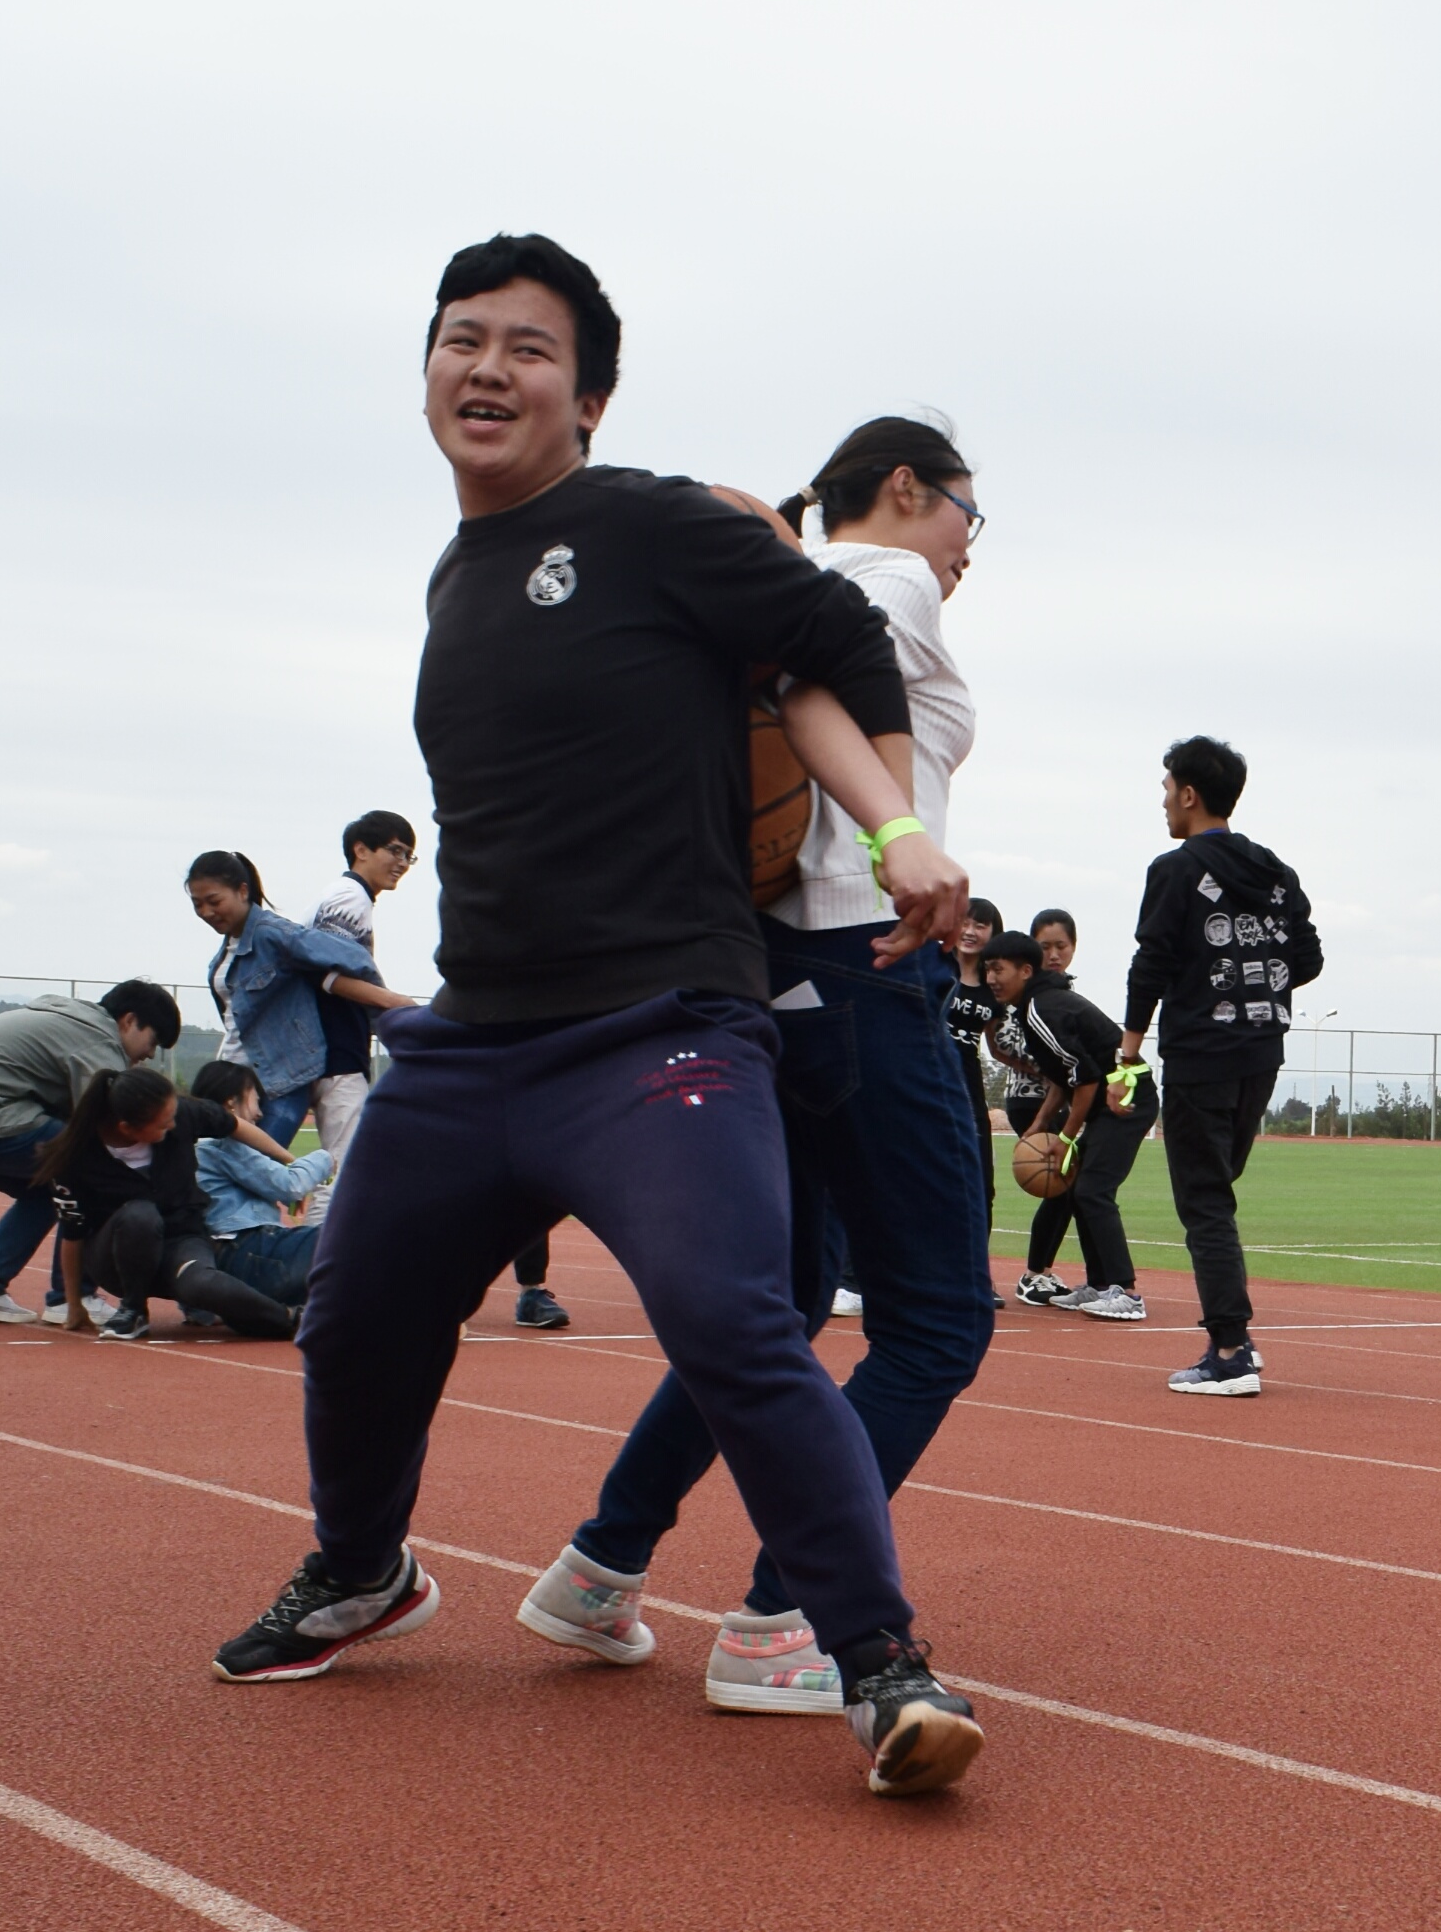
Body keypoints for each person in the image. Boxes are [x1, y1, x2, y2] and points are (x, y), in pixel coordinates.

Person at [210, 232, 984, 1798]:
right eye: (459, 338)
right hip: (474, 1033)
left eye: (529, 347)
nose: (486, 367)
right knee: (353, 1311)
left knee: (734, 1316)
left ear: (592, 396)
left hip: (661, 1028)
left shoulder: (649, 522)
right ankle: (361, 1566)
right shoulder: (456, 570)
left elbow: (827, 644)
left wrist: (898, 832)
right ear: (425, 371)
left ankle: (877, 1660)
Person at [522, 413, 996, 1719]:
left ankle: (602, 1561)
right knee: (936, 1320)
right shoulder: (878, 574)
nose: (967, 547)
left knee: (776, 1302)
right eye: (969, 513)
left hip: (759, 980)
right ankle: (785, 1608)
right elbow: (801, 678)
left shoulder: (766, 586)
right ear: (905, 487)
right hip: (864, 966)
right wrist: (902, 832)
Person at [1116, 735, 1323, 1398]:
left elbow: (1150, 960)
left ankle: (1230, 1348)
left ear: (1188, 793)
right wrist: (1257, 982)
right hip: (1261, 1051)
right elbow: (1310, 957)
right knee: (1217, 1189)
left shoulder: (1173, 868)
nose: (1164, 801)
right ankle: (1236, 1339)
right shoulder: (1274, 869)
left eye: (1166, 787)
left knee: (1205, 1199)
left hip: (1201, 1053)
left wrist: (1128, 1046)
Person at [0, 980, 236, 1324]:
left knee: (48, 1189)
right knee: (92, 1174)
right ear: (128, 1021)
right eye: (152, 1041)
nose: (150, 1055)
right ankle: (73, 1297)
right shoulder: (97, 1040)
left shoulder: (67, 1021)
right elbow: (107, 1123)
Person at [39, 1064, 302, 1341]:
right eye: (164, 1125)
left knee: (201, 1283)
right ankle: (133, 1308)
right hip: (116, 1255)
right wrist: (74, 1304)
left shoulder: (183, 1113)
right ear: (127, 1128)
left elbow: (236, 1126)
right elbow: (72, 1236)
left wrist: (288, 1161)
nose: (174, 1126)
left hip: (180, 1239)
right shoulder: (76, 1159)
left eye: (173, 1116)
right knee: (140, 1215)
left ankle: (292, 1319)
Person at [186, 851, 417, 1145]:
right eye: (197, 904)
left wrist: (392, 1002)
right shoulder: (223, 955)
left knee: (255, 1168)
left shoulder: (274, 935)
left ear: (242, 891)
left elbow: (348, 956)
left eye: (214, 901)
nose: (206, 911)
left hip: (281, 1082)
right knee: (219, 1168)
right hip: (234, 1079)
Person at [983, 930, 1154, 1319]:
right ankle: (1098, 1286)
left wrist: (1064, 1136)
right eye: (988, 970)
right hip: (1110, 1097)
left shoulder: (1043, 1009)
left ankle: (1126, 1292)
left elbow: (1087, 1078)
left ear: (1025, 971)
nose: (991, 978)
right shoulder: (1035, 1007)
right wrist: (1040, 1122)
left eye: (998, 969)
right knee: (1080, 1191)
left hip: (1128, 1096)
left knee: (1093, 1189)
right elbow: (1063, 1077)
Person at [303, 811, 418, 1222]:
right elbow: (325, 974)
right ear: (361, 850)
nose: (403, 862)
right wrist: (393, 1002)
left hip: (320, 1047)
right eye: (396, 850)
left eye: (410, 855)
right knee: (342, 1174)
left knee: (327, 1172)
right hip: (335, 1049)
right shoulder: (350, 896)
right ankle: (317, 1276)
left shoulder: (345, 895)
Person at [188, 1058, 332, 1318]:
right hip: (249, 1252)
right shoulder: (223, 1143)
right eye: (256, 1101)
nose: (260, 1113)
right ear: (232, 1102)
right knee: (346, 1235)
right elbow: (292, 1185)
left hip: (223, 1261)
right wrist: (326, 1158)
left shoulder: (193, 1147)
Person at [947, 896, 1006, 1305]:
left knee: (980, 1184)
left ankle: (974, 1277)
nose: (970, 930)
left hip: (968, 1085)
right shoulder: (933, 966)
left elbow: (999, 1047)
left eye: (980, 925)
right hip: (926, 1076)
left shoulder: (993, 987)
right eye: (965, 921)